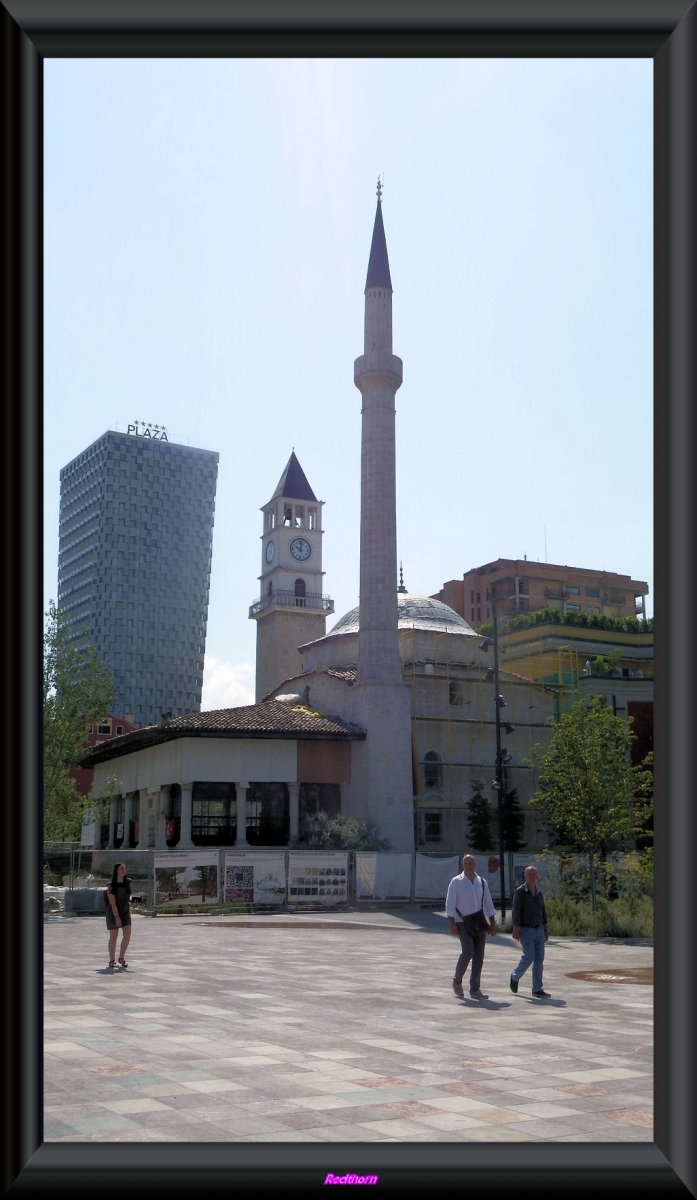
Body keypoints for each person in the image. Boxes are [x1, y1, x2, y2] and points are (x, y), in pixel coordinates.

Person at [445, 854, 497, 1000]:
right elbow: (450, 905)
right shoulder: (456, 882)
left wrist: (492, 925)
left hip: (479, 922)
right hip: (462, 922)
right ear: (463, 865)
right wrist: (452, 923)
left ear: (475, 865)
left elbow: (489, 904)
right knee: (468, 952)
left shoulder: (482, 882)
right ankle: (457, 980)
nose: (468, 866)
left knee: (479, 956)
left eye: (471, 863)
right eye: (466, 863)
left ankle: (475, 989)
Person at [509, 864, 550, 998]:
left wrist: (545, 929)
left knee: (539, 960)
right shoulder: (520, 892)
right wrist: (515, 928)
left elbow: (543, 911)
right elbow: (516, 911)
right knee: (529, 956)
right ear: (525, 876)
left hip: (538, 930)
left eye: (534, 874)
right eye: (529, 874)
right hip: (526, 930)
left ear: (537, 876)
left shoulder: (539, 892)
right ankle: (515, 976)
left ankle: (537, 988)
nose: (531, 876)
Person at [105, 862, 132, 969]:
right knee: (114, 937)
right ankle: (112, 960)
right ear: (116, 870)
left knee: (127, 933)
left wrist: (136, 900)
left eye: (125, 868)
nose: (124, 870)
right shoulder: (111, 886)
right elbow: (112, 903)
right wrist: (117, 918)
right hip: (113, 912)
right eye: (122, 868)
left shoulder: (128, 883)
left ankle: (121, 957)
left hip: (125, 911)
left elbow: (129, 897)